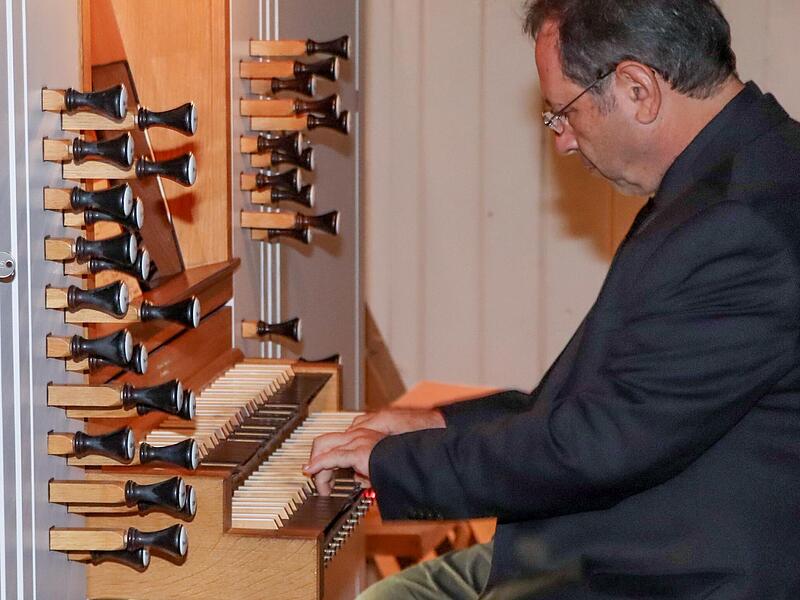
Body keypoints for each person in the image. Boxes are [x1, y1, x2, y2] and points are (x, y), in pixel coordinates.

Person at [305, 0, 800, 597]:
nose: (563, 141)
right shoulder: (744, 169)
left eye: (562, 112)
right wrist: (437, 421)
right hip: (628, 539)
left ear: (638, 89)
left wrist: (394, 464)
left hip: (670, 575)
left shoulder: (740, 222)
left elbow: (599, 445)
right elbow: (618, 397)